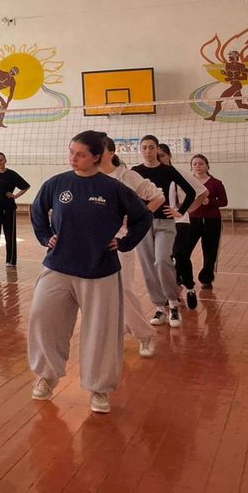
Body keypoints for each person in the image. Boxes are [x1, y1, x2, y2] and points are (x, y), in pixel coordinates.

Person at [28, 130, 152, 414]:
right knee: (43, 319)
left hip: (100, 270)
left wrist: (124, 242)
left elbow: (143, 216)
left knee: (101, 332)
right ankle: (47, 376)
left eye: (81, 154)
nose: (73, 158)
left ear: (97, 157)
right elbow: (37, 210)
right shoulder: (57, 183)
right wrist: (46, 236)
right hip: (58, 267)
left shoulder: (113, 188)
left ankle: (99, 389)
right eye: (71, 152)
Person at [100, 136, 165, 358]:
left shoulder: (126, 176)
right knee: (102, 292)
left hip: (120, 242)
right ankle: (117, 330)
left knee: (124, 289)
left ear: (111, 153)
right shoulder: (90, 176)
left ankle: (144, 335)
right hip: (94, 243)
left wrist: (138, 218)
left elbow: (157, 196)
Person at [132, 135, 195, 328]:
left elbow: (191, 192)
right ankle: (160, 307)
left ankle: (173, 303)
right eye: (144, 147)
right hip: (143, 224)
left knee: (162, 261)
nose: (148, 151)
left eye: (151, 147)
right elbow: (126, 195)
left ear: (157, 149)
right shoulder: (135, 172)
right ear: (140, 150)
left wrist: (180, 211)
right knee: (148, 265)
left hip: (165, 223)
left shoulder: (167, 170)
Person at [160, 144, 208, 311]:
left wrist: (186, 210)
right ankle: (172, 290)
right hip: (161, 222)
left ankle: (189, 287)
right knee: (164, 259)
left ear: (169, 155)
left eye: (162, 155)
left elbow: (203, 192)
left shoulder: (179, 173)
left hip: (181, 221)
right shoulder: (153, 175)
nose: (159, 159)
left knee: (180, 254)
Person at [178, 155, 228, 290]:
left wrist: (209, 201)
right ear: (191, 167)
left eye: (200, 164)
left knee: (210, 251)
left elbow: (224, 201)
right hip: (192, 220)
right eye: (194, 164)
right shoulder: (187, 182)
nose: (197, 166)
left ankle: (206, 279)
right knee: (184, 250)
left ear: (207, 165)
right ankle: (181, 276)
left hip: (212, 221)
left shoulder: (216, 183)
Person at [0, 153, 30, 267]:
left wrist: (15, 196)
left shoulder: (12, 174)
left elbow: (26, 186)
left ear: (5, 160)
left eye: (1, 160)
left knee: (9, 234)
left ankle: (10, 260)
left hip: (9, 208)